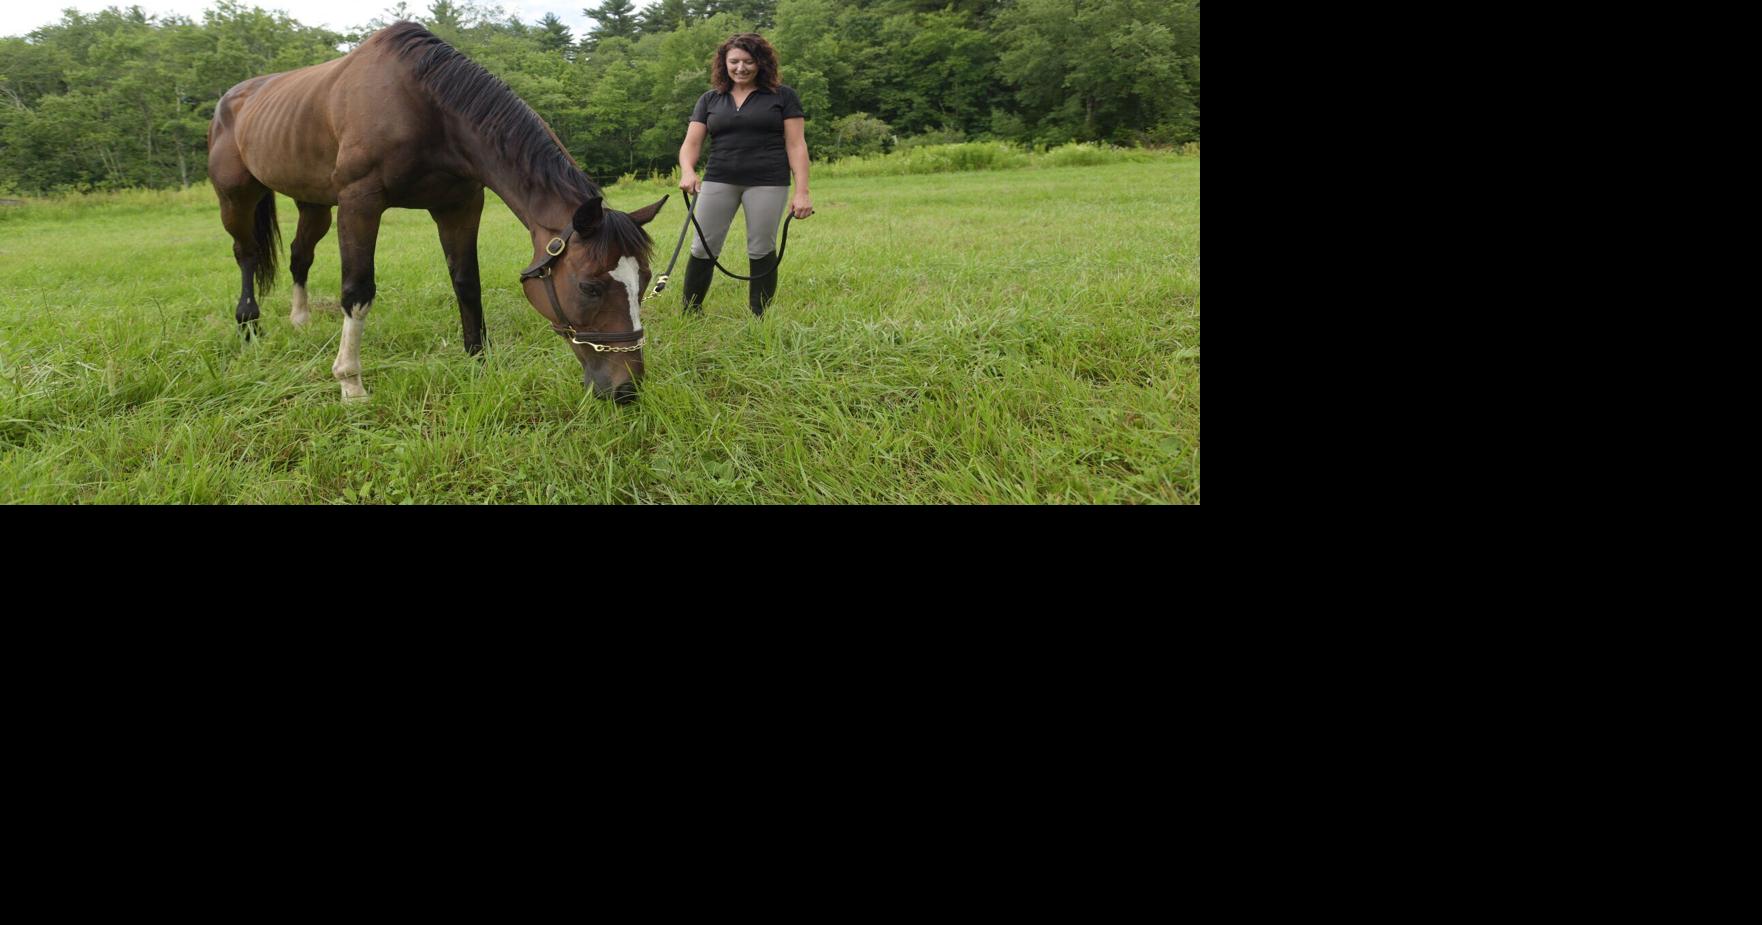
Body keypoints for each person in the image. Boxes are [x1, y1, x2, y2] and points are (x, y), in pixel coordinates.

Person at [676, 32, 813, 317]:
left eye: (748, 61)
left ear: (761, 63)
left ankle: (759, 316)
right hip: (718, 179)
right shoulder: (710, 99)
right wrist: (688, 171)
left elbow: (796, 144)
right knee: (703, 246)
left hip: (768, 181)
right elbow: (691, 144)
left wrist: (802, 192)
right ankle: (691, 312)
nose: (741, 68)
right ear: (724, 63)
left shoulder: (783, 96)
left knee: (762, 246)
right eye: (734, 61)